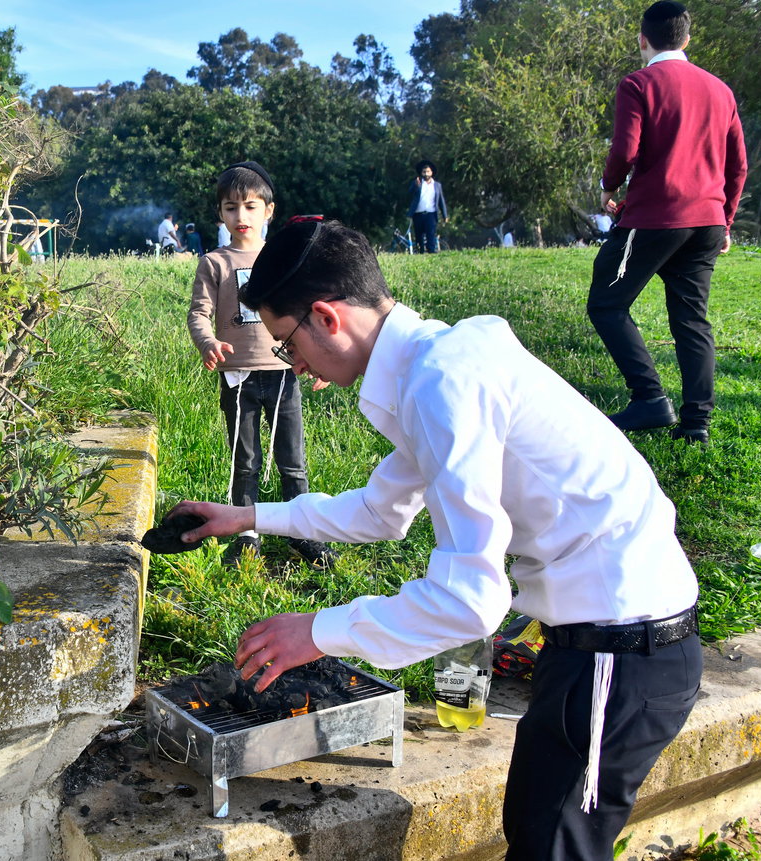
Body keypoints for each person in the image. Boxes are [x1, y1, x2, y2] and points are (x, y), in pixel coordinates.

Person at [169, 217, 701, 861]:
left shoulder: (445, 385)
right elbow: (380, 510)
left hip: (624, 647)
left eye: (286, 343)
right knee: (539, 832)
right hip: (597, 643)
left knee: (552, 845)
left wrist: (317, 631)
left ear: (326, 317)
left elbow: (470, 602)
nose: (293, 363)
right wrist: (248, 518)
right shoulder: (437, 364)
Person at [588, 0, 747, 446]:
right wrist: (726, 221)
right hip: (708, 221)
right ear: (687, 39)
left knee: (606, 302)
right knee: (691, 320)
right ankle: (697, 423)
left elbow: (625, 149)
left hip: (657, 217)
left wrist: (609, 186)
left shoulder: (638, 83)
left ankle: (650, 400)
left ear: (643, 39)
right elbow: (738, 166)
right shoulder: (720, 90)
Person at [186, 162, 332, 567]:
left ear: (269, 210)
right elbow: (199, 313)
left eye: (250, 207)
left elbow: (307, 316)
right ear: (220, 213)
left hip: (285, 376)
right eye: (231, 208)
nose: (241, 217)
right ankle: (246, 534)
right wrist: (208, 342)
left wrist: (317, 362)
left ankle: (302, 531)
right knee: (243, 461)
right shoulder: (214, 263)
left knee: (293, 462)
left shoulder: (282, 259)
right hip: (238, 379)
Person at [406, 159, 449, 253]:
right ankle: (420, 252)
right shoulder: (417, 183)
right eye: (424, 172)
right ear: (421, 173)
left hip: (431, 214)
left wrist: (445, 215)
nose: (426, 174)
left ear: (432, 173)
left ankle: (431, 252)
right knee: (419, 235)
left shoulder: (437, 185)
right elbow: (409, 194)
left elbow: (441, 201)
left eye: (428, 171)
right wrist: (415, 186)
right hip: (418, 214)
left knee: (431, 234)